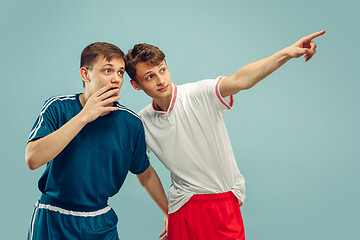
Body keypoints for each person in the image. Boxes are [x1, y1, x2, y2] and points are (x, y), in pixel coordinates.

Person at [124, 30, 325, 240]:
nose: (160, 80)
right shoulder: (143, 121)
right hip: (181, 206)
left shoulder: (198, 94)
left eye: (162, 70)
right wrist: (167, 211)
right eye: (150, 77)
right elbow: (143, 173)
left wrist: (286, 53)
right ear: (136, 85)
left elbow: (241, 80)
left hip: (221, 203)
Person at [25, 42, 168, 240]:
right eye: (108, 70)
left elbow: (146, 174)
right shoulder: (57, 108)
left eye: (120, 72)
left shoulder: (131, 123)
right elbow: (33, 158)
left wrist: (169, 212)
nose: (116, 79)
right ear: (85, 74)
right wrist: (85, 116)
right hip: (53, 218)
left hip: (100, 223)